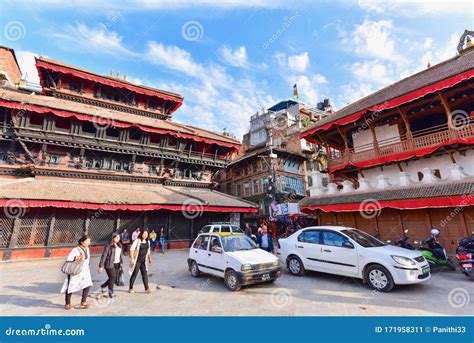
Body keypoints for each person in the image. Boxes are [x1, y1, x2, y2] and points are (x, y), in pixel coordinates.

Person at [61, 235, 93, 310]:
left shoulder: (87, 249)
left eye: (89, 241)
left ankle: (83, 302)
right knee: (71, 286)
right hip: (76, 270)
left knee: (87, 284)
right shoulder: (76, 250)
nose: (88, 243)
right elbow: (69, 258)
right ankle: (67, 303)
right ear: (82, 242)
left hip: (85, 270)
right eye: (87, 241)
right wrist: (77, 257)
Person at [98, 233, 123, 298]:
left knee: (113, 278)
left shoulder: (119, 245)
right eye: (116, 237)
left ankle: (103, 286)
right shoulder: (108, 245)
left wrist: (121, 263)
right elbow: (104, 256)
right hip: (110, 264)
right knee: (112, 278)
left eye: (119, 237)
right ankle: (110, 293)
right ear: (113, 238)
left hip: (117, 264)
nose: (118, 239)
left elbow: (119, 255)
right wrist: (101, 266)